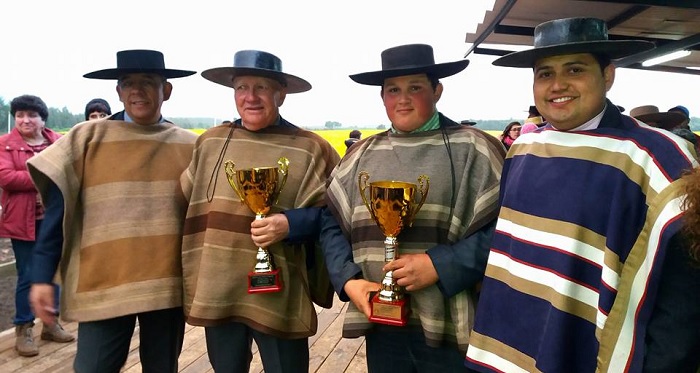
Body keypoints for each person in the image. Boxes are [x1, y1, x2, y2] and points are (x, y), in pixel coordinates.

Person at [464, 17, 699, 372]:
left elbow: (683, 294)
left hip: (587, 353)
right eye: (545, 73)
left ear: (608, 75)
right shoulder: (524, 148)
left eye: (575, 69)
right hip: (510, 347)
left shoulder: (658, 159)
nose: (558, 85)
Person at [320, 43, 505, 372]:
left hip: (452, 323)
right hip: (380, 319)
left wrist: (441, 264)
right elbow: (329, 222)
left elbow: (508, 230)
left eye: (415, 88)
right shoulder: (360, 154)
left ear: (437, 90)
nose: (402, 98)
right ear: (382, 96)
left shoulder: (475, 149)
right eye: (393, 89)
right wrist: (349, 281)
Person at [26, 49, 197, 372]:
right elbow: (57, 213)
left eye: (147, 82)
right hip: (102, 281)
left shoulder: (190, 146)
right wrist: (41, 277)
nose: (137, 90)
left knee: (162, 367)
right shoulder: (86, 138)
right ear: (117, 91)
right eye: (127, 83)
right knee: (94, 367)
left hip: (166, 283)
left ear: (167, 90)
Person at [180, 49, 340, 373]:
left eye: (262, 88)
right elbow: (188, 203)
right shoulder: (209, 143)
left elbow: (337, 214)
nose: (250, 97)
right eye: (242, 87)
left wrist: (290, 224)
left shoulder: (311, 148)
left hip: (280, 294)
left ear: (281, 94)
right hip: (219, 288)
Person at [0, 95, 74, 357]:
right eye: (20, 115)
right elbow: (6, 177)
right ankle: (24, 327)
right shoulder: (5, 145)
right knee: (28, 275)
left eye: (31, 115)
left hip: (55, 220)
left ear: (43, 119)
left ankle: (51, 324)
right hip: (23, 221)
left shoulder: (58, 142)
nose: (24, 120)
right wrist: (47, 177)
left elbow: (71, 170)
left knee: (55, 271)